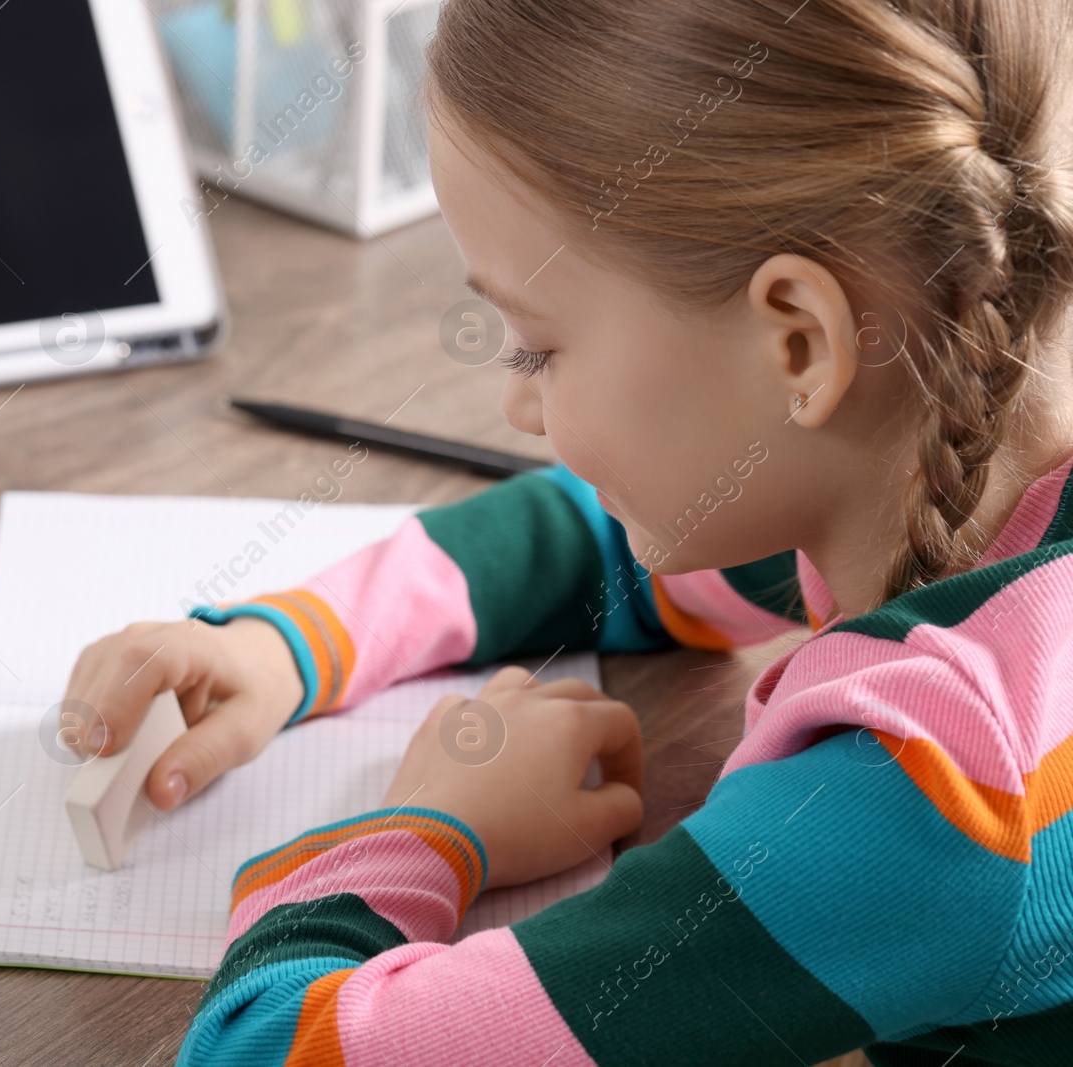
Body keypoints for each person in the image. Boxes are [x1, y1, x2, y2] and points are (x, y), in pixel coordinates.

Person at [61, 0, 1073, 1061]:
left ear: (798, 345)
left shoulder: (929, 793)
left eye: (535, 349)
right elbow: (601, 549)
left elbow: (268, 1047)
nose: (517, 410)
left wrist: (426, 824)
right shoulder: (946, 448)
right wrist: (287, 642)